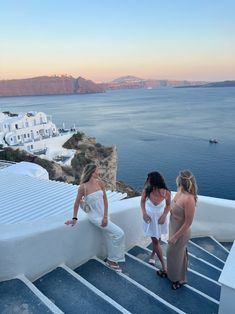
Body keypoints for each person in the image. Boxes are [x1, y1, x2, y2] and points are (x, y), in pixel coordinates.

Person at [65, 163, 125, 272]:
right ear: (92, 172)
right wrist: (74, 219)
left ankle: (111, 260)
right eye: (97, 170)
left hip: (105, 215)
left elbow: (105, 200)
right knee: (119, 233)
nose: (99, 172)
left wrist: (106, 216)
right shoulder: (83, 187)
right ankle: (112, 260)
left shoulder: (100, 183)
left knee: (109, 237)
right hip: (95, 217)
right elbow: (76, 203)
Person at [166, 170, 197, 290]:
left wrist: (175, 237)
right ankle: (171, 273)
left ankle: (179, 279)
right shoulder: (179, 192)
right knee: (175, 255)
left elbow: (188, 222)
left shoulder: (189, 199)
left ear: (180, 180)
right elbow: (173, 210)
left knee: (173, 254)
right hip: (173, 228)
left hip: (181, 233)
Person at [140, 171, 171, 275]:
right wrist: (144, 213)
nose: (147, 182)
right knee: (155, 240)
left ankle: (153, 254)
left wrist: (164, 216)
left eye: (149, 180)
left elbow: (168, 205)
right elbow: (142, 202)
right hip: (150, 218)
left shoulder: (166, 192)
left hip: (160, 218)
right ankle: (164, 266)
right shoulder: (147, 190)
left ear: (155, 181)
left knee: (157, 239)